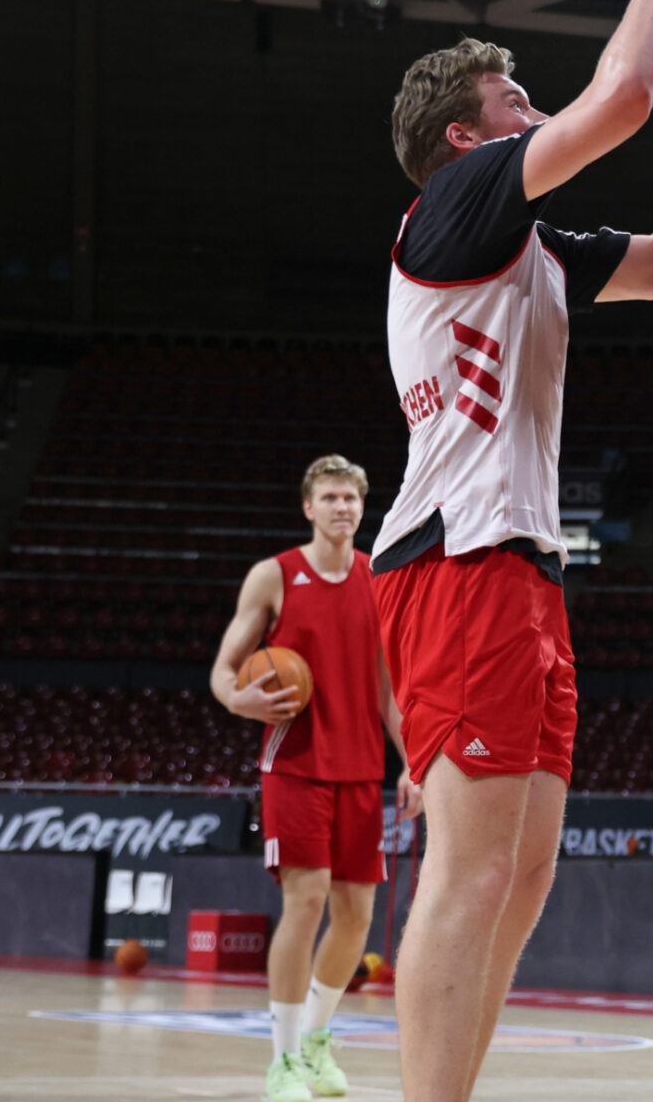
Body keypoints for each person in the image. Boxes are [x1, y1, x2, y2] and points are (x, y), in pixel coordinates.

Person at [372, 0, 653, 1102]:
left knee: (523, 875)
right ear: (463, 139)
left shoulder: (527, 246)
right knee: (474, 871)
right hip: (458, 562)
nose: (533, 113)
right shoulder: (458, 205)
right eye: (513, 101)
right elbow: (626, 99)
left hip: (520, 573)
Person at [212, 453, 421, 1102]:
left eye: (351, 499)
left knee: (358, 917)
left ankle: (317, 1040)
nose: (342, 508)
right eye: (330, 498)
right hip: (295, 763)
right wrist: (236, 699)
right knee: (305, 902)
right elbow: (225, 669)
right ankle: (281, 1062)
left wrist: (412, 758)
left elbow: (391, 687)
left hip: (361, 768)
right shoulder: (273, 577)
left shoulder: (379, 578)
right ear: (309, 507)